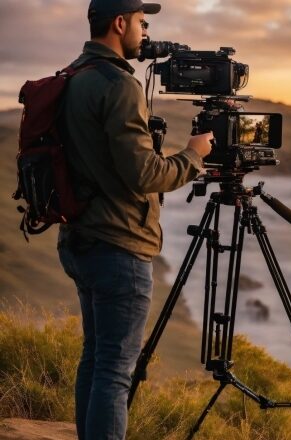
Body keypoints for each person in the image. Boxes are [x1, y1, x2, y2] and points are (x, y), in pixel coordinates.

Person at [56, 1, 213, 438]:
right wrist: (194, 155)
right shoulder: (118, 85)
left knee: (97, 359)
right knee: (114, 372)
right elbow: (146, 175)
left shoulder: (75, 75)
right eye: (142, 22)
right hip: (118, 246)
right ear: (119, 23)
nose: (146, 32)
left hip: (81, 238)